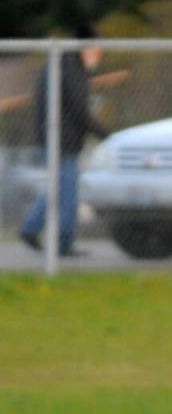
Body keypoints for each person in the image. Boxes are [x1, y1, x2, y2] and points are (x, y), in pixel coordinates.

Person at [19, 24, 109, 257]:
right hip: (62, 143)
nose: (98, 57)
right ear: (86, 49)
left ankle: (30, 228)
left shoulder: (63, 65)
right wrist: (106, 135)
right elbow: (80, 111)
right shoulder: (71, 69)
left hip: (57, 140)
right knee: (67, 195)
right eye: (96, 51)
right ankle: (63, 244)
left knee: (57, 189)